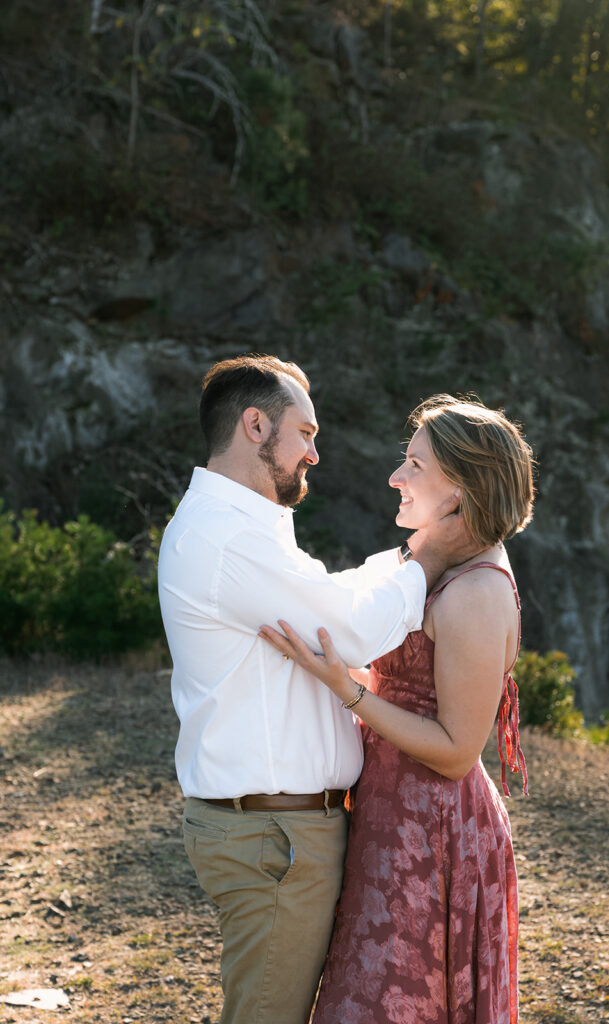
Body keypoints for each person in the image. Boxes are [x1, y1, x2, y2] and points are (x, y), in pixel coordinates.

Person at [157, 356, 479, 1024]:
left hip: (279, 831)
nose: (313, 452)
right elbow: (348, 630)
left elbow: (327, 596)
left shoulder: (243, 527)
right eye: (303, 433)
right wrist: (429, 556)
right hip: (271, 835)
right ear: (254, 425)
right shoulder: (226, 539)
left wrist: (399, 561)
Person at [259, 393, 534, 1024]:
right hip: (392, 816)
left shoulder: (477, 593)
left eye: (413, 464)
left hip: (434, 835)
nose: (395, 477)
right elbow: (404, 684)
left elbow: (459, 749)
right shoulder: (438, 561)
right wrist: (319, 659)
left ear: (460, 490)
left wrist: (345, 688)